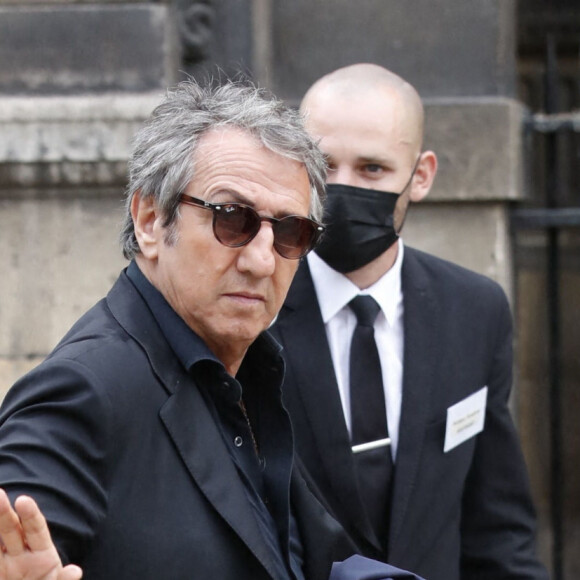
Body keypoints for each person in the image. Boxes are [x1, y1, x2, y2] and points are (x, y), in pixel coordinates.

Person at [0, 79, 426, 580]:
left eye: (290, 232)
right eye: (232, 219)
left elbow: (305, 562)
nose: (263, 260)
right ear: (151, 220)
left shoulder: (243, 370)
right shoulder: (84, 390)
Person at [270, 63, 549, 580]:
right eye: (324, 165)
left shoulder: (474, 310)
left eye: (372, 169)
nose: (342, 187)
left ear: (420, 177)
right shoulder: (252, 309)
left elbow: (497, 524)